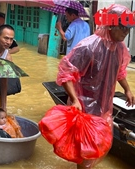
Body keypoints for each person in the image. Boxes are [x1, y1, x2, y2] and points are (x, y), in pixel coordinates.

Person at [56, 4, 135, 169]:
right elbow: (65, 74)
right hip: (84, 107)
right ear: (110, 25)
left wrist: (127, 89)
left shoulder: (119, 48)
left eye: (128, 28)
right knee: (85, 151)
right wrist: (75, 99)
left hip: (104, 106)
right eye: (122, 27)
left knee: (97, 148)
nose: (126, 32)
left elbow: (119, 72)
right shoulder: (88, 46)